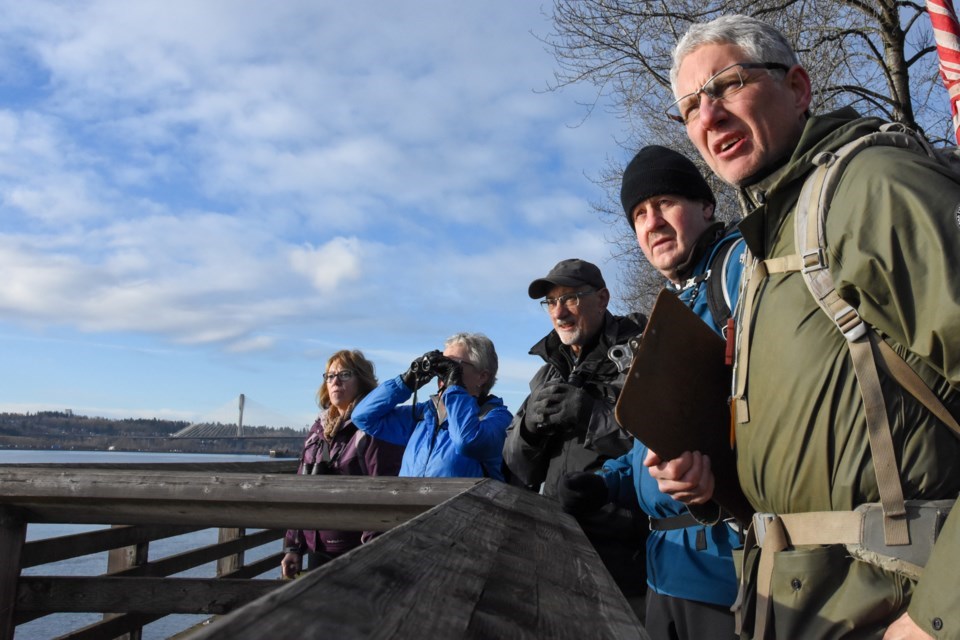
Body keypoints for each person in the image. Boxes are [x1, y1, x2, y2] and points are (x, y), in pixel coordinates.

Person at [650, 14, 960, 639]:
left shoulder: (874, 188)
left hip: (893, 610)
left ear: (797, 88)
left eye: (727, 85)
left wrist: (937, 618)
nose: (707, 118)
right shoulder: (766, 250)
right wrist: (714, 486)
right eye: (689, 108)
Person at [559, 146, 746, 639]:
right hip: (662, 571)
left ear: (706, 206)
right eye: (639, 214)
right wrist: (607, 481)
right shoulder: (671, 309)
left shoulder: (740, 273)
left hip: (729, 575)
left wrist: (719, 469)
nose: (652, 222)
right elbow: (653, 444)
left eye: (665, 203)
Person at [502, 259, 648, 605]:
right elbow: (517, 466)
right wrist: (528, 430)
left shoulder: (640, 357)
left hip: (628, 567)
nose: (559, 312)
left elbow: (662, 443)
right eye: (550, 302)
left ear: (602, 298)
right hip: (556, 555)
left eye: (569, 298)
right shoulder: (546, 374)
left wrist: (590, 415)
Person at [281, 350, 404, 579]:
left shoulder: (373, 429)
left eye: (344, 374)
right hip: (317, 547)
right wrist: (293, 546)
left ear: (362, 381)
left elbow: (384, 493)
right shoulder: (318, 430)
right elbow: (300, 489)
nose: (335, 381)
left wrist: (372, 552)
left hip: (355, 549)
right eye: (329, 376)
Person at [352, 332, 511, 479]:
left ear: (482, 377)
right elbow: (363, 417)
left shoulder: (497, 418)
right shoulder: (424, 415)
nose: (442, 371)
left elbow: (467, 441)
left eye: (454, 364)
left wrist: (454, 387)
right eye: (442, 361)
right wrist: (406, 382)